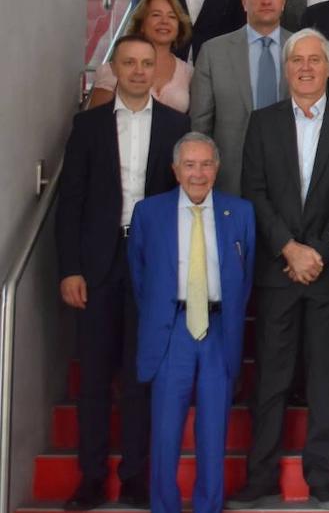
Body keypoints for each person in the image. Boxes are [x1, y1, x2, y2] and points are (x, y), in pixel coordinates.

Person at [229, 28, 329, 509]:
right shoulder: (262, 122)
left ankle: (322, 478)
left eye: (315, 60)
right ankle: (261, 476)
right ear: (287, 68)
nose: (306, 68)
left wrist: (316, 250)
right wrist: (289, 248)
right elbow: (254, 191)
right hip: (278, 271)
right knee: (270, 378)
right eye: (297, 60)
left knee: (326, 379)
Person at [56, 35, 189, 509]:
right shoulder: (88, 126)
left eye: (146, 63)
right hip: (96, 264)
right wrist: (69, 268)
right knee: (93, 377)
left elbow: (186, 204)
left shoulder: (179, 125)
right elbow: (69, 202)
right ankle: (90, 477)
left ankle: (135, 475)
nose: (137, 71)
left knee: (141, 374)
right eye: (129, 63)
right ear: (113, 68)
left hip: (151, 268)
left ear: (157, 71)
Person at [129, 133, 255, 513]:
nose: (197, 173)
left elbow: (244, 276)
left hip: (218, 330)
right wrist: (164, 316)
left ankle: (208, 507)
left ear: (216, 169)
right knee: (166, 433)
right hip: (172, 331)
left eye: (205, 164)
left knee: (213, 431)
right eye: (189, 164)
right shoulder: (149, 213)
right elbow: (140, 275)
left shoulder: (241, 212)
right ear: (175, 170)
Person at [190, 0, 290, 195]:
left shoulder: (303, 49)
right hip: (230, 177)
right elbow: (200, 123)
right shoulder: (214, 52)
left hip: (289, 176)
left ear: (283, 2)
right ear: (244, 3)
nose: (266, 0)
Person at [90, 0, 195, 112]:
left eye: (172, 16)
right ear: (141, 24)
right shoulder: (113, 70)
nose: (164, 21)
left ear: (179, 26)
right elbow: (95, 123)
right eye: (156, 15)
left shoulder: (189, 73)